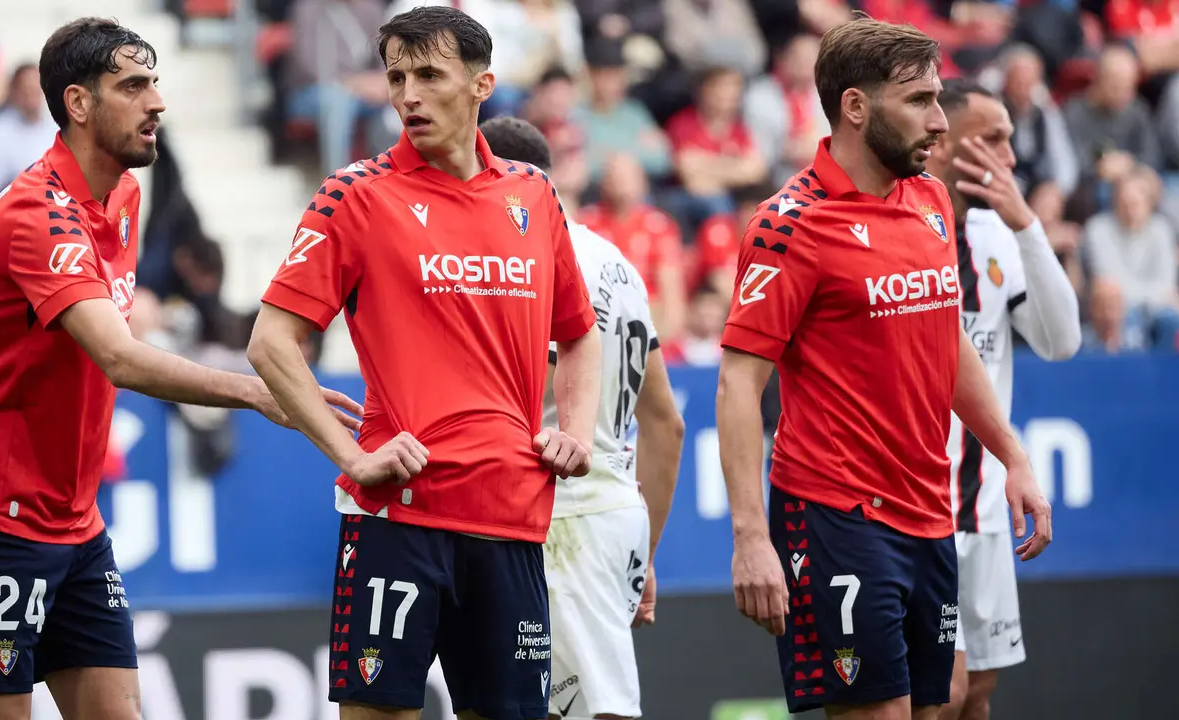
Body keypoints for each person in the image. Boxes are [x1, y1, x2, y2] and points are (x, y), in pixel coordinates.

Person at [0, 18, 362, 720]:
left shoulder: (123, 197)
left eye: (154, 81)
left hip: (74, 520)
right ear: (79, 103)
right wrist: (257, 389)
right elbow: (119, 358)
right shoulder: (37, 215)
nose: (157, 101)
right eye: (134, 85)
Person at [244, 8, 601, 720]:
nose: (408, 94)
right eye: (397, 77)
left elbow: (581, 334)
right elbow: (270, 343)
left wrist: (579, 433)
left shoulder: (533, 195)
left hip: (512, 518)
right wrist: (352, 454)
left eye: (429, 75)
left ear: (481, 85)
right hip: (398, 520)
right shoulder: (355, 197)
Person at [714, 18, 1054, 720]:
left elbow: (947, 341)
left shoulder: (930, 199)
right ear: (856, 108)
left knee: (940, 708)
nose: (938, 121)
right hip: (836, 512)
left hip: (931, 510)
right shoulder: (790, 224)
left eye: (937, 99)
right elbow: (738, 382)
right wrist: (751, 537)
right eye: (920, 101)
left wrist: (1011, 456)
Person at [479, 116, 685, 720]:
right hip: (612, 511)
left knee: (598, 708)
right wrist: (644, 553)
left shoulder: (526, 262)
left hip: (564, 519)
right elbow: (666, 424)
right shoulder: (617, 264)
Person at [924, 80, 1081, 720]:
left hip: (987, 510)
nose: (1010, 158)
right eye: (992, 139)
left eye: (1011, 140)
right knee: (944, 690)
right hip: (921, 507)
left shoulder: (995, 237)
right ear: (941, 142)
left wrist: (1027, 227)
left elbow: (1061, 341)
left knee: (977, 695)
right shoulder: (902, 230)